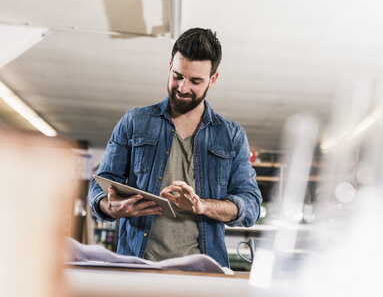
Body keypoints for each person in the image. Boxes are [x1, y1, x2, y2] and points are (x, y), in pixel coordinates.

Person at [88, 28, 262, 268]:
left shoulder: (231, 136)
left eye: (195, 81)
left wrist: (202, 206)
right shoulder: (134, 122)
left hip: (201, 276)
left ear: (213, 79)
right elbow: (101, 183)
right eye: (177, 76)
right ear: (170, 65)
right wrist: (111, 207)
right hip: (138, 269)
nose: (182, 88)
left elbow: (250, 205)